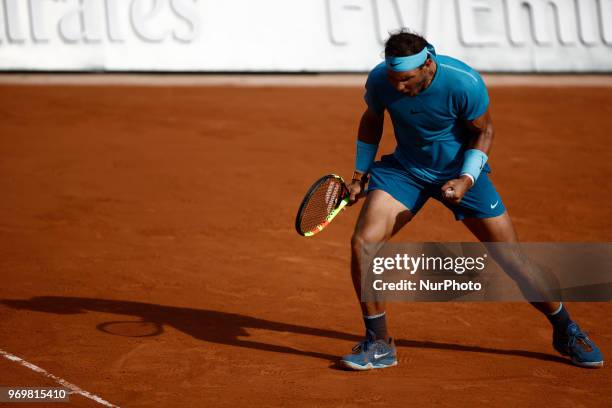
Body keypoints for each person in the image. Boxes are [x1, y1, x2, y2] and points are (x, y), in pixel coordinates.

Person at [341, 30, 603, 370]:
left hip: (461, 170)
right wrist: (360, 177)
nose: (398, 87)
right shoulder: (382, 80)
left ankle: (566, 328)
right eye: (393, 78)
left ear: (427, 66)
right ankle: (379, 343)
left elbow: (484, 130)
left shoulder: (463, 83)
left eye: (405, 79)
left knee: (513, 261)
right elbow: (372, 119)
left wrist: (466, 179)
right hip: (406, 170)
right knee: (364, 244)